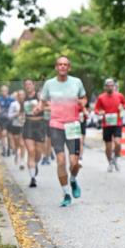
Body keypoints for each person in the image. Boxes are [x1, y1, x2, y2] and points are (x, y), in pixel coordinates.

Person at [39, 56, 87, 207]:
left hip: (73, 125)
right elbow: (43, 100)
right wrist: (40, 107)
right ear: (56, 67)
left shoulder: (76, 82)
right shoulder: (49, 84)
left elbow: (84, 98)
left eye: (65, 65)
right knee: (60, 161)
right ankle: (66, 193)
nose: (62, 67)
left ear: (69, 68)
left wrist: (82, 103)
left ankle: (73, 180)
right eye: (60, 64)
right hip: (56, 125)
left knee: (74, 163)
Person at [94, 78, 125, 172]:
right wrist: (100, 112)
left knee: (118, 142)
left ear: (114, 86)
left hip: (117, 123)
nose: (110, 87)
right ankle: (110, 162)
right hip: (106, 124)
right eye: (108, 85)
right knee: (108, 146)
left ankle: (116, 158)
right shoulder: (101, 97)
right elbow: (96, 110)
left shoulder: (119, 95)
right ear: (105, 87)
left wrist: (123, 107)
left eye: (111, 85)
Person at [20, 79, 46, 187]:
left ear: (33, 85)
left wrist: (41, 107)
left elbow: (48, 106)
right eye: (26, 84)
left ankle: (35, 165)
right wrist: (21, 117)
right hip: (28, 125)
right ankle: (32, 178)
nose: (28, 86)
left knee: (38, 153)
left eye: (30, 84)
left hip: (39, 125)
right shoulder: (23, 98)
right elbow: (21, 111)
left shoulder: (39, 96)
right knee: (31, 151)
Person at [0, 85, 14, 156]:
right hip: (2, 119)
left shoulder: (11, 99)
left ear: (7, 91)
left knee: (9, 135)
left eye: (5, 91)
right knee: (3, 134)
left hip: (10, 119)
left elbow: (15, 107)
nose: (4, 92)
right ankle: (4, 149)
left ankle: (9, 148)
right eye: (2, 91)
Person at [8, 90, 24, 167]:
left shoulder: (26, 104)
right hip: (15, 125)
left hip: (24, 125)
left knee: (22, 144)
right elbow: (9, 116)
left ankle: (22, 161)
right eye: (20, 95)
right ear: (17, 96)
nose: (21, 96)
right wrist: (16, 114)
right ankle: (17, 154)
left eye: (23, 95)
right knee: (17, 143)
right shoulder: (13, 104)